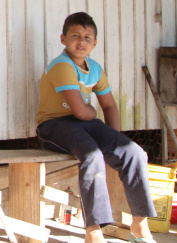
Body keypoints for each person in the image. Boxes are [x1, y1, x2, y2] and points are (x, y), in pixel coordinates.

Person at [36, 12, 157, 243]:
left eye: (87, 37)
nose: (81, 41)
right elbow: (82, 111)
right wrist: (91, 112)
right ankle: (93, 232)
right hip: (54, 126)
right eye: (75, 35)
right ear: (63, 39)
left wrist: (116, 142)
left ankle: (140, 225)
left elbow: (109, 106)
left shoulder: (95, 69)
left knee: (134, 153)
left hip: (86, 126)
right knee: (92, 155)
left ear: (95, 43)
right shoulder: (62, 65)